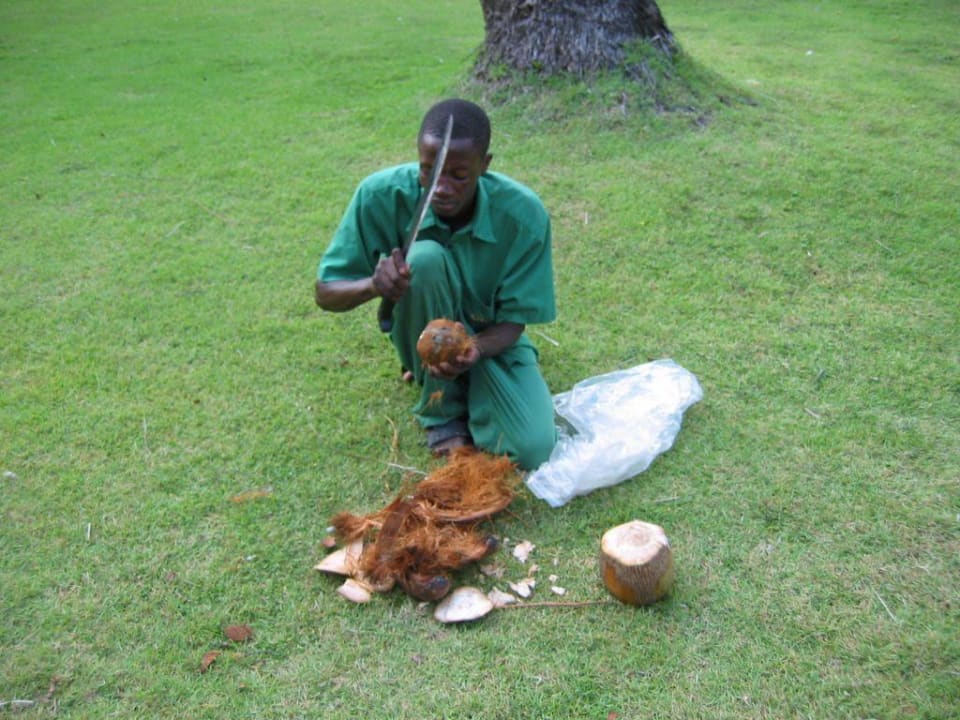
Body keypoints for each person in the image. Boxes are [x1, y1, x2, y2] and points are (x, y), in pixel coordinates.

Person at [315, 98, 556, 470]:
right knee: (422, 259)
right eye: (428, 171)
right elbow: (326, 293)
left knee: (531, 449)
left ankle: (469, 383)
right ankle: (440, 411)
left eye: (458, 175)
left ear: (485, 165)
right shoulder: (380, 195)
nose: (441, 188)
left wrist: (475, 347)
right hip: (419, 332)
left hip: (490, 342)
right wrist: (374, 286)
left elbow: (513, 322)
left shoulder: (522, 215)